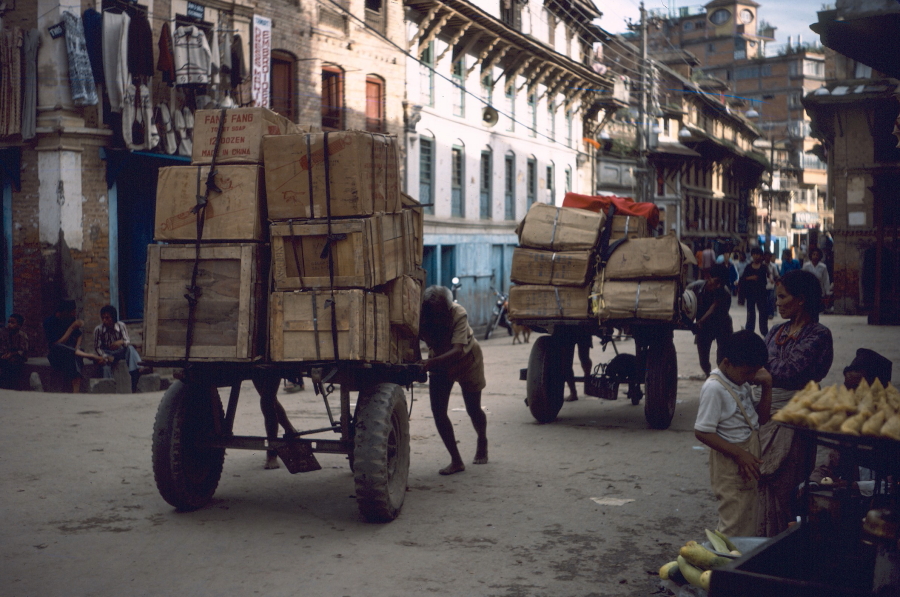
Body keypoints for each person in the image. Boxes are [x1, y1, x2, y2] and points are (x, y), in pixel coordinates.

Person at [757, 269, 834, 537]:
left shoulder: (819, 335)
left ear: (800, 300)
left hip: (796, 420)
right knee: (762, 481)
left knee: (788, 484)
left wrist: (764, 366)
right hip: (768, 413)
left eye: (782, 297)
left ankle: (783, 542)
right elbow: (766, 365)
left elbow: (791, 372)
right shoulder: (777, 330)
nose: (777, 303)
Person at [695, 330, 772, 537]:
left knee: (747, 517)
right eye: (748, 372)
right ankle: (726, 565)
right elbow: (702, 431)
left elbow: (762, 419)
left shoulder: (741, 382)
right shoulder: (714, 389)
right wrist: (739, 454)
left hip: (747, 458)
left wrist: (767, 386)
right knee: (733, 522)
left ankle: (739, 560)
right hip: (732, 464)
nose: (752, 377)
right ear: (727, 363)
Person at [419, 285, 488, 475]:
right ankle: (456, 460)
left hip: (468, 361)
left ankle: (482, 438)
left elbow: (458, 349)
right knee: (438, 412)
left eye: (442, 314)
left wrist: (429, 362)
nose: (438, 318)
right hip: (439, 363)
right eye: (434, 314)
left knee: (473, 409)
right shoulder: (421, 314)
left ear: (449, 308)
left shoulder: (458, 313)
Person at [44, 299, 105, 393]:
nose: (74, 314)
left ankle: (75, 392)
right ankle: (90, 356)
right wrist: (71, 328)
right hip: (57, 355)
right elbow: (58, 343)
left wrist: (77, 346)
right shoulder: (49, 322)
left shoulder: (70, 318)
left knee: (74, 355)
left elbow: (79, 335)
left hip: (71, 353)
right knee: (61, 348)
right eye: (72, 311)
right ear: (64, 312)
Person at [92, 305, 146, 393]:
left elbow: (127, 340)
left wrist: (120, 342)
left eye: (107, 318)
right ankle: (109, 388)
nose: (104, 320)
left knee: (130, 348)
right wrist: (105, 356)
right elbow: (97, 347)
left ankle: (137, 369)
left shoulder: (121, 326)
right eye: (103, 318)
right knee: (105, 366)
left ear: (113, 318)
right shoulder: (98, 330)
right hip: (107, 353)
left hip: (119, 352)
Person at [694, 264, 734, 378]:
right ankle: (708, 374)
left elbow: (714, 308)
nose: (718, 285)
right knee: (703, 359)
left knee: (722, 357)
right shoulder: (696, 288)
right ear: (708, 277)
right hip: (704, 328)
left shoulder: (725, 293)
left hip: (722, 325)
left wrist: (701, 321)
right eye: (716, 281)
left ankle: (721, 377)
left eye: (721, 283)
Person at [740, 248, 769, 336]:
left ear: (761, 256)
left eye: (758, 254)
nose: (756, 256)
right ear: (752, 255)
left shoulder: (764, 267)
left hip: (761, 295)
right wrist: (751, 278)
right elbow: (742, 279)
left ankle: (765, 333)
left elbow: (765, 280)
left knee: (763, 315)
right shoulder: (748, 267)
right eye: (754, 254)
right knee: (750, 315)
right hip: (750, 295)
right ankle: (749, 333)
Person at [0, 313, 29, 390]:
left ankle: (12, 386)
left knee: (13, 363)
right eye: (9, 322)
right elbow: (3, 346)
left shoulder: (22, 335)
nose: (9, 324)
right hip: (7, 355)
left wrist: (12, 354)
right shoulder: (4, 334)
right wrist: (4, 354)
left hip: (18, 356)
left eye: (12, 323)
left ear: (19, 325)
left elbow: (23, 351)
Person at [564, 328, 593, 402]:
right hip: (576, 329)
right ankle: (574, 391)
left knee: (583, 358)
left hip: (580, 328)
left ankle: (585, 385)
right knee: (568, 362)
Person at [802, 248, 832, 313]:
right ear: (811, 255)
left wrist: (827, 291)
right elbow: (802, 278)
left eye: (817, 255)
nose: (815, 256)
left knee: (816, 308)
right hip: (808, 290)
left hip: (819, 290)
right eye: (814, 254)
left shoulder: (823, 267)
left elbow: (826, 279)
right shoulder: (806, 266)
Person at [765, 252, 779, 320]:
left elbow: (776, 275)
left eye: (769, 256)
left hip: (771, 285)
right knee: (765, 301)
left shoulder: (773, 266)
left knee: (771, 300)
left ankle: (771, 313)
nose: (767, 258)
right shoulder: (761, 265)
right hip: (763, 286)